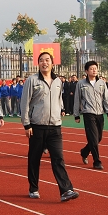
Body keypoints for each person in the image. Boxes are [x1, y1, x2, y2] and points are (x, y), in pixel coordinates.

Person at [22, 52, 79, 202]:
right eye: (41, 60)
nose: (44, 63)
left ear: (52, 63)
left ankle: (66, 190)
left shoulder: (58, 81)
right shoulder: (32, 80)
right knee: (34, 159)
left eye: (47, 60)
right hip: (37, 126)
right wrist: (26, 124)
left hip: (55, 126)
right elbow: (24, 103)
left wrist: (61, 108)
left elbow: (59, 97)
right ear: (38, 63)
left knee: (58, 158)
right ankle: (33, 188)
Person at [74, 60, 108, 170]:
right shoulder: (81, 84)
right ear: (86, 71)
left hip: (99, 113)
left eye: (95, 68)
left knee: (98, 138)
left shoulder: (101, 83)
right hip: (88, 113)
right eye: (91, 69)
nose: (94, 70)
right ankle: (97, 161)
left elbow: (106, 98)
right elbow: (77, 99)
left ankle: (84, 152)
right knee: (93, 138)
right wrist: (76, 114)